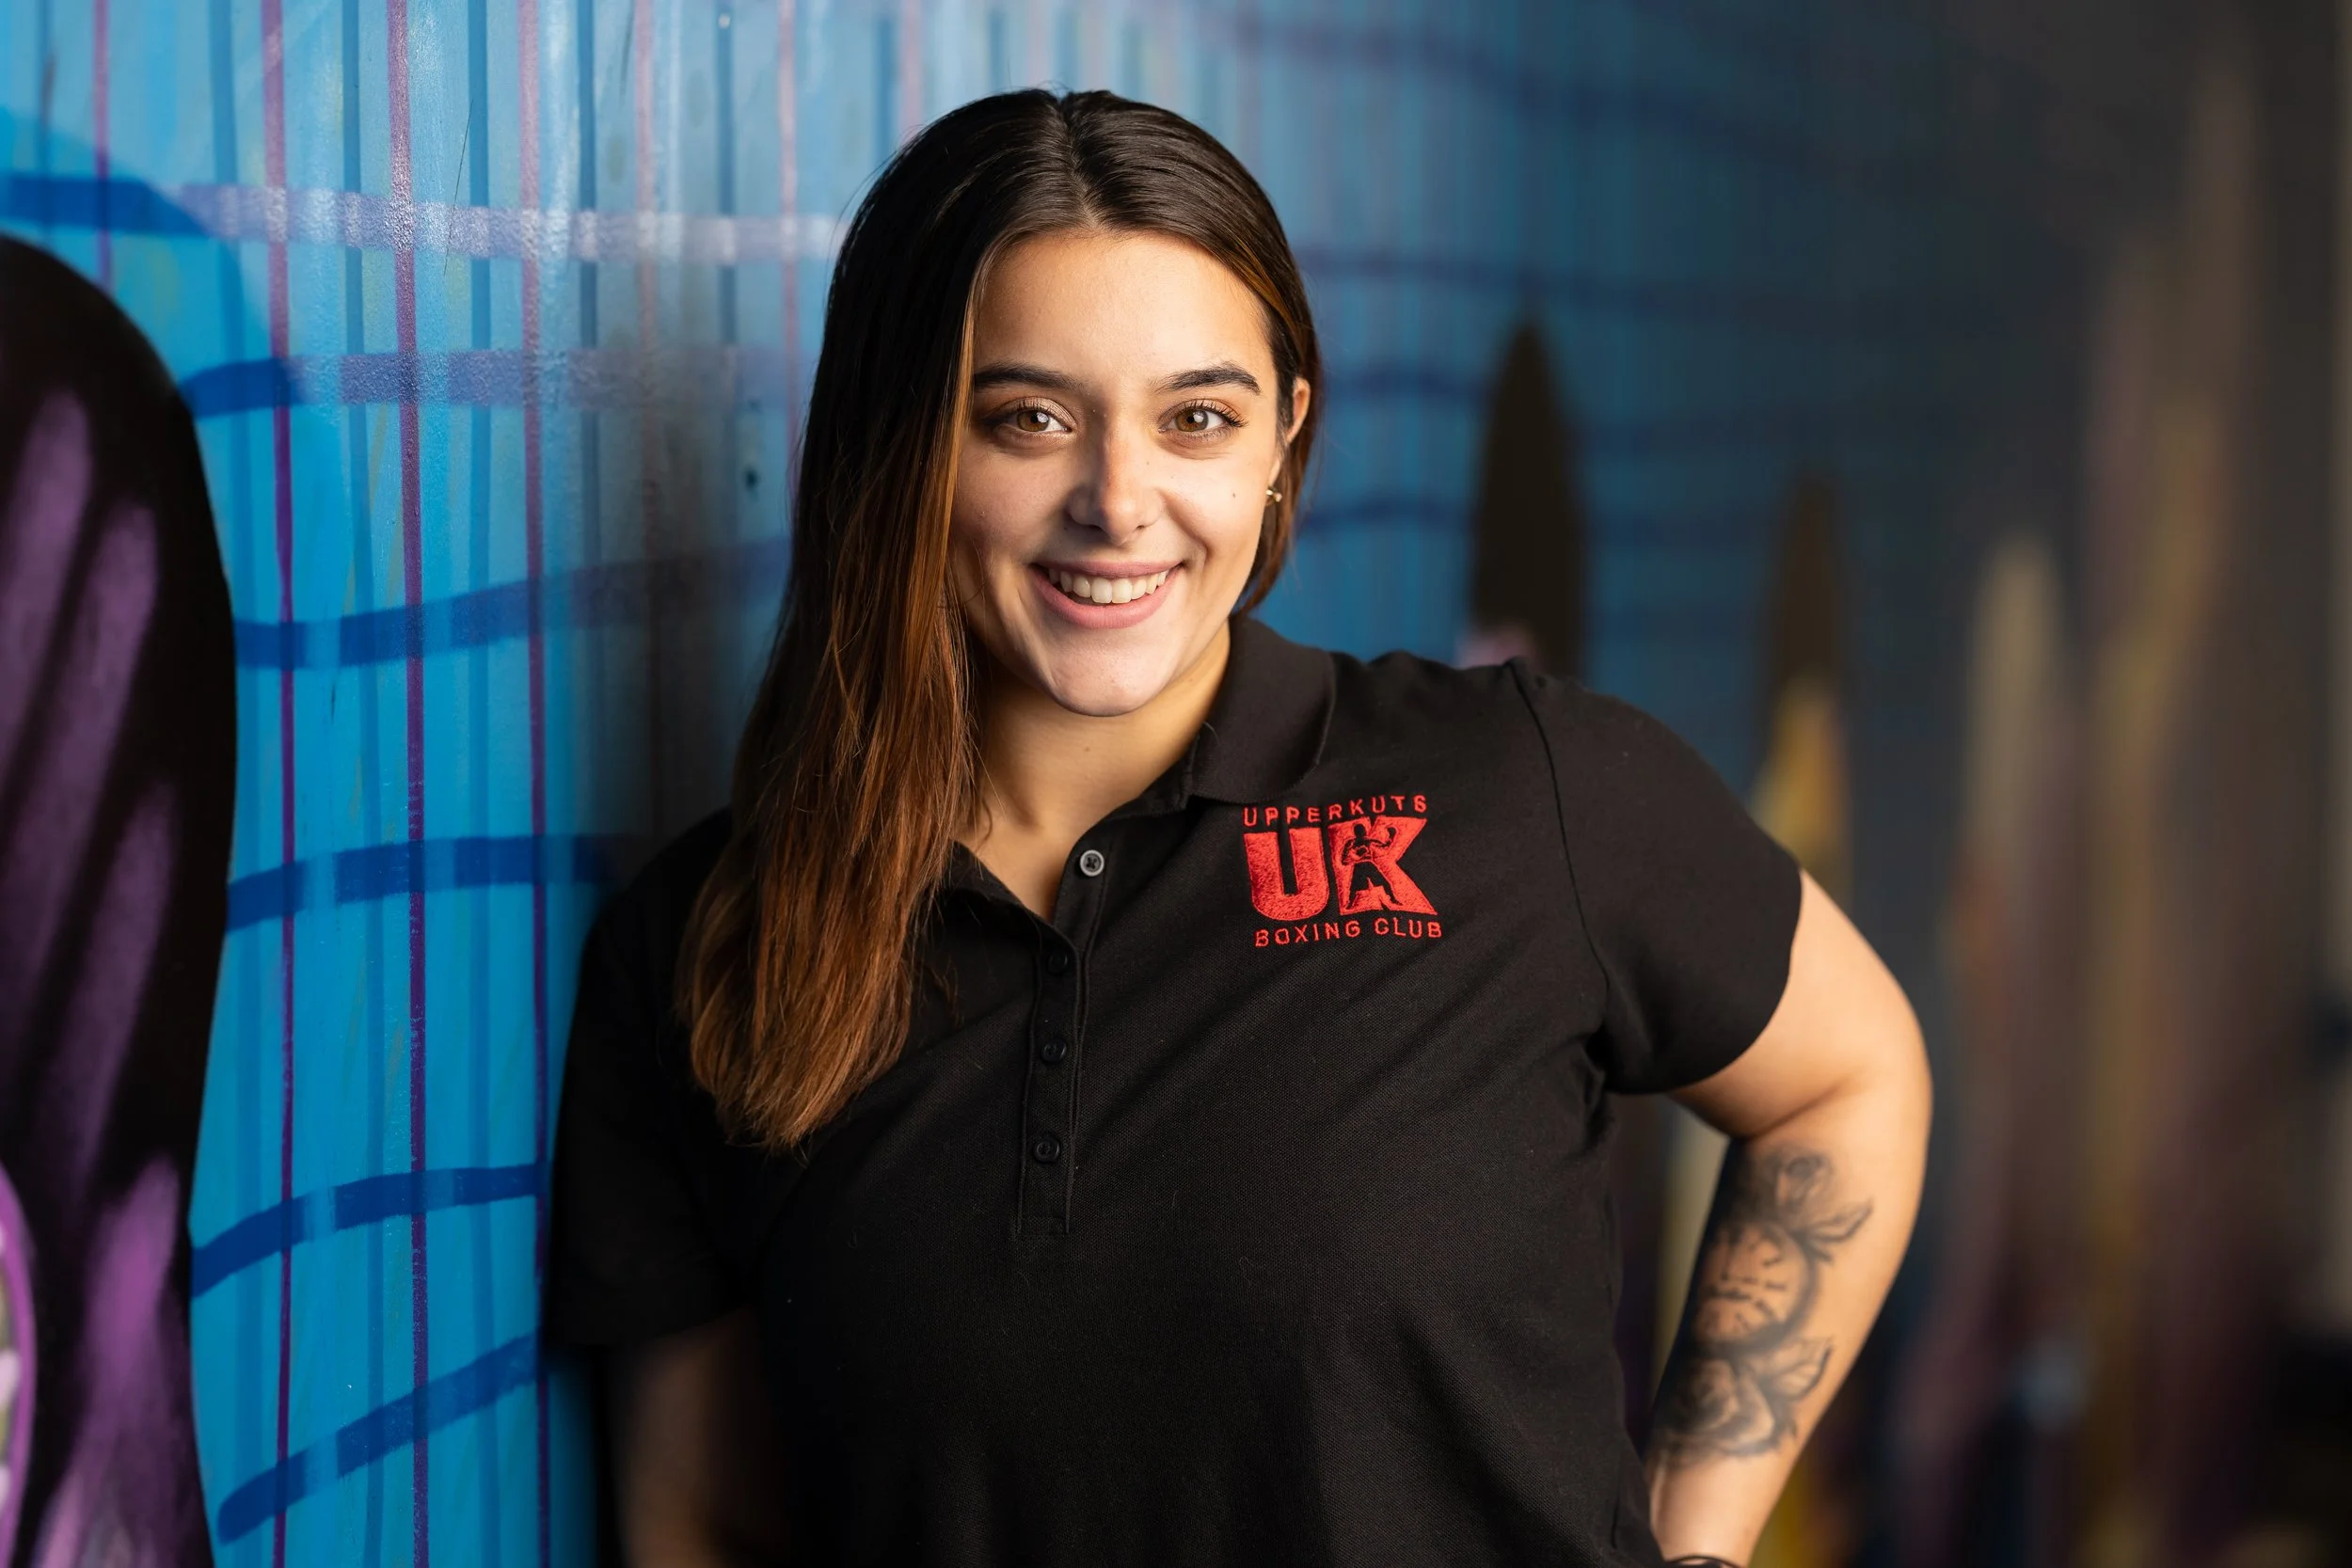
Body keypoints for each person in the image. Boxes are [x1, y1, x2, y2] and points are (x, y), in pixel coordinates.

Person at [545, 88, 1931, 1568]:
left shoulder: (1520, 790)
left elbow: (1847, 1076)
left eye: (1197, 417)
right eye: (1030, 418)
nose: (1120, 501)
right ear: (905, 446)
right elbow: (704, 1521)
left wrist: (1701, 1537)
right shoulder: (721, 940)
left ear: (1283, 440)